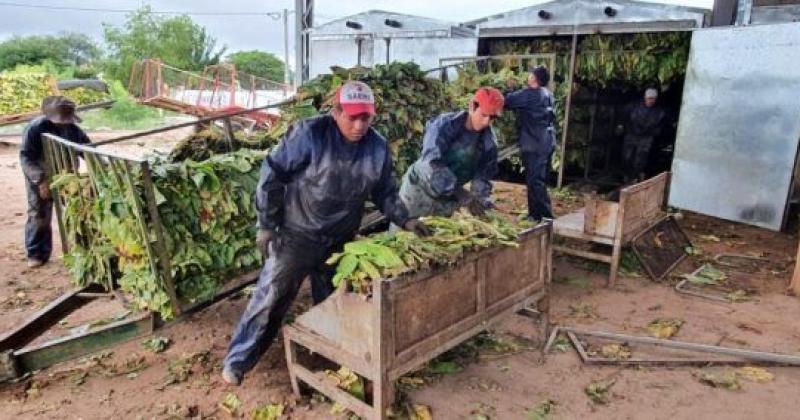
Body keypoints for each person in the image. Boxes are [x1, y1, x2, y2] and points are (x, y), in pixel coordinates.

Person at [222, 81, 429, 385]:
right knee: (270, 299)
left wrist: (406, 219)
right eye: (352, 116)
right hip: (296, 236)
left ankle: (328, 356)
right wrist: (266, 224)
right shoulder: (309, 134)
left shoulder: (377, 147)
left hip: (340, 240)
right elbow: (272, 174)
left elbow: (384, 192)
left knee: (334, 303)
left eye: (366, 118)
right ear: (336, 111)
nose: (359, 125)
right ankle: (238, 362)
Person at [398, 87, 503, 219]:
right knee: (403, 234)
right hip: (418, 189)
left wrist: (480, 203)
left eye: (492, 118)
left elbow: (482, 179)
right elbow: (431, 163)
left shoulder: (489, 145)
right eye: (483, 115)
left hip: (447, 198)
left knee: (437, 236)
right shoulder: (444, 126)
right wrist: (460, 193)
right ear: (472, 107)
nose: (486, 122)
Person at [20, 96, 91, 268]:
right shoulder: (35, 129)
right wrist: (41, 180)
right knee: (39, 214)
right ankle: (37, 253)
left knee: (78, 210)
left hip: (66, 173)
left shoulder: (73, 129)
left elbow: (87, 148)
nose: (64, 124)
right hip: (40, 175)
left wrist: (99, 165)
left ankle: (84, 249)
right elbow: (26, 157)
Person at [504, 65, 556, 221]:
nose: (528, 76)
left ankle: (545, 217)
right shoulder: (548, 94)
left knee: (535, 181)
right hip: (547, 141)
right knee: (538, 180)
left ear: (534, 78)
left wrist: (509, 89)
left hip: (535, 143)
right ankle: (535, 214)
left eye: (530, 74)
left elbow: (507, 101)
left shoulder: (530, 94)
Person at [620, 88, 667, 183]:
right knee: (626, 156)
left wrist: (654, 133)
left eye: (653, 99)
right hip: (632, 133)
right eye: (649, 98)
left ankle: (635, 177)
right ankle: (626, 175)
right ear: (645, 97)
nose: (651, 101)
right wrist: (622, 126)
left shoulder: (659, 111)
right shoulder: (633, 106)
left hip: (647, 137)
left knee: (641, 159)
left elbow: (661, 125)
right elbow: (623, 116)